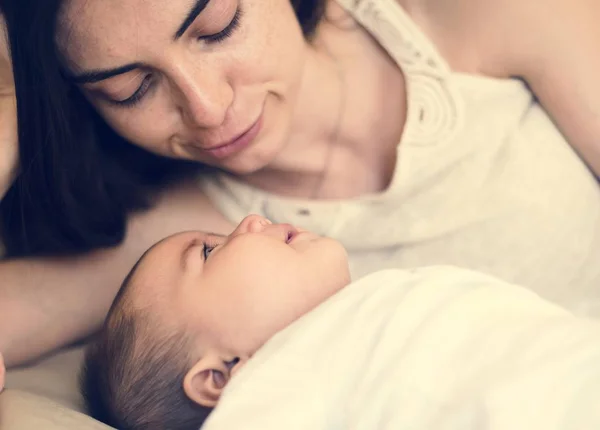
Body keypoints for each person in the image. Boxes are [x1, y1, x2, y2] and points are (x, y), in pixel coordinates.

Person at [1, 0, 600, 369]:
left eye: (218, 26)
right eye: (129, 89)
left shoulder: (481, 13)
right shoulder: (186, 251)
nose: (207, 109)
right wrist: (11, 109)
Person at [81, 215, 600, 430]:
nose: (251, 221)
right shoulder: (266, 398)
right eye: (210, 252)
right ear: (218, 377)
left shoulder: (356, 319)